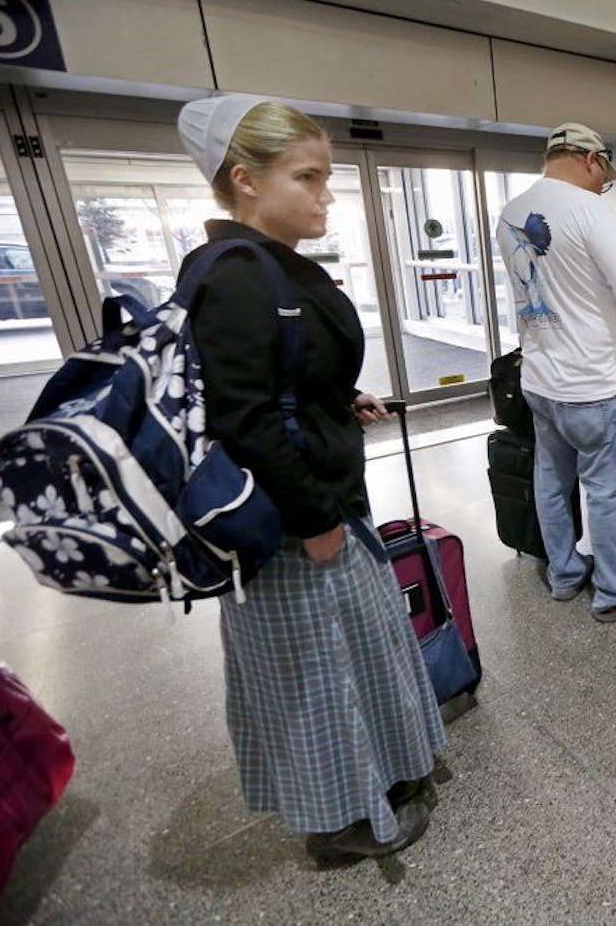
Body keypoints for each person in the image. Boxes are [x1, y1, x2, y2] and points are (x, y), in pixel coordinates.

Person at [176, 96, 445, 862]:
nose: (327, 193)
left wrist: (337, 399)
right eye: (309, 176)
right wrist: (314, 518)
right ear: (245, 180)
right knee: (317, 679)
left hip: (319, 503)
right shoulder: (232, 273)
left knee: (351, 653)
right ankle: (341, 825)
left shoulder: (265, 265)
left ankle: (373, 786)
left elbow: (279, 378)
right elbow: (243, 420)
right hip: (290, 524)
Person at [497, 121, 616, 621]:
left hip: (539, 379)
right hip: (592, 383)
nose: (603, 184)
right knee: (609, 492)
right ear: (590, 159)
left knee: (551, 480)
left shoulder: (509, 211)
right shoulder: (590, 209)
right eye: (604, 175)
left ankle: (566, 574)